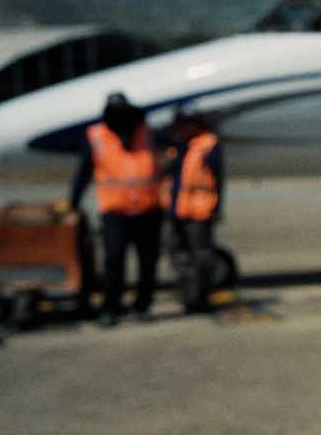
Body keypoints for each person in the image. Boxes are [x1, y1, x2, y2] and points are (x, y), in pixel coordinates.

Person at [69, 92, 163, 327]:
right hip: (115, 210)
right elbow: (84, 172)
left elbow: (174, 152)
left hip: (148, 208)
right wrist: (73, 202)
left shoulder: (147, 132)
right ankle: (111, 306)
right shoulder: (96, 136)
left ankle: (143, 304)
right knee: (114, 258)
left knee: (148, 261)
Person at [163, 110, 224, 309]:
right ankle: (190, 295)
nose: (181, 128)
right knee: (179, 255)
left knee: (202, 256)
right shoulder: (178, 146)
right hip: (177, 210)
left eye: (185, 124)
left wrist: (216, 208)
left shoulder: (208, 144)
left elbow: (218, 179)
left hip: (200, 211)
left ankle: (202, 296)